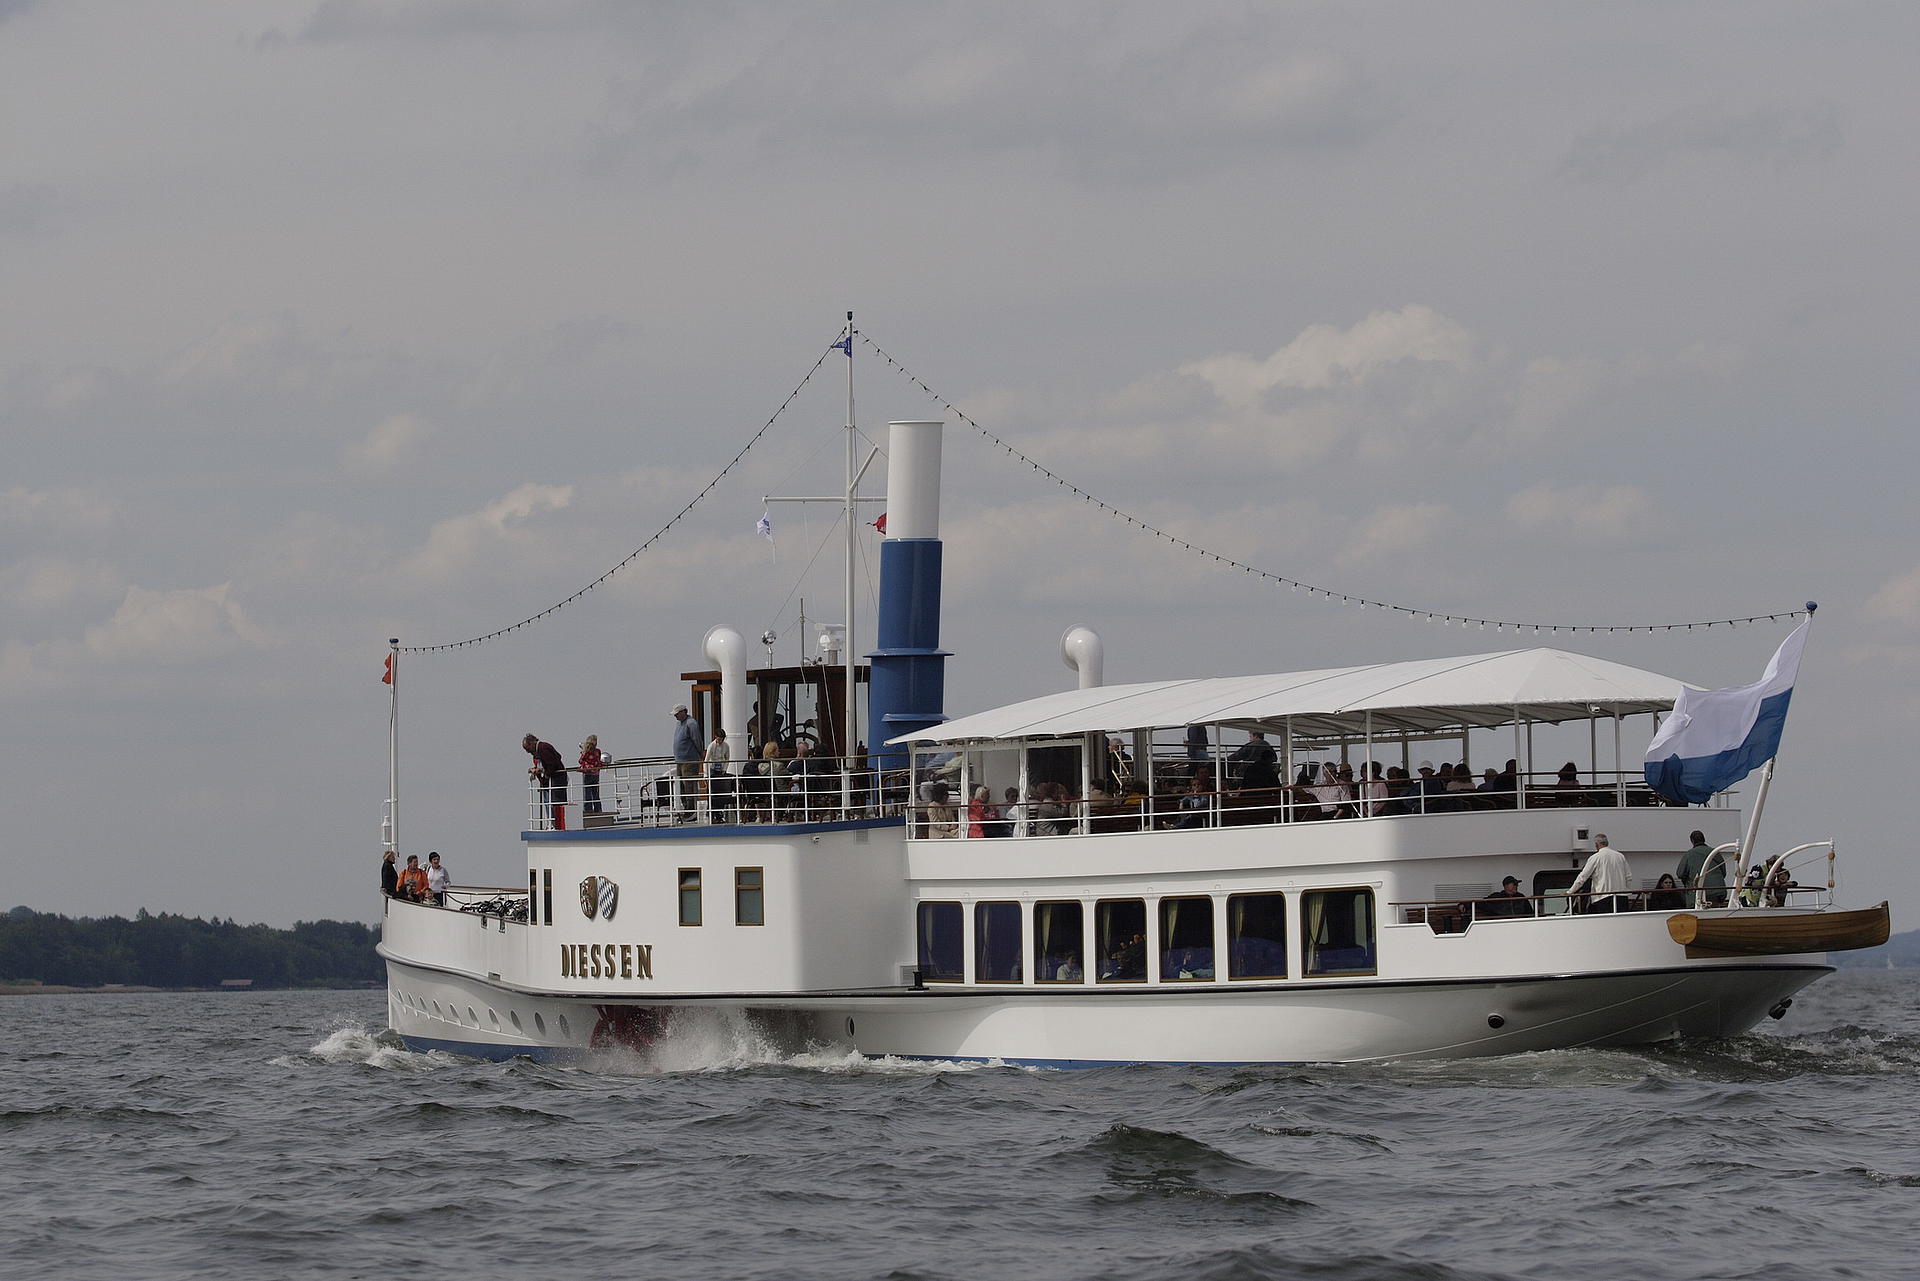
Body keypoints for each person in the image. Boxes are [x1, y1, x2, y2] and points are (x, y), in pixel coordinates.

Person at [1568, 833, 1632, 913]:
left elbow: (1582, 877)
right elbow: (1629, 877)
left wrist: (1570, 892)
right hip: (1622, 898)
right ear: (1607, 843)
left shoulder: (1595, 858)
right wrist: (1626, 891)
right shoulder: (1620, 856)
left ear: (1596, 845)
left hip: (1603, 898)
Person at [522, 733, 568, 829]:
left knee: (557, 802)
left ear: (531, 743)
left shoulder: (542, 748)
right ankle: (554, 823)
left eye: (527, 749)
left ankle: (558, 824)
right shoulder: (542, 748)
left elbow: (552, 764)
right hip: (554, 779)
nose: (528, 752)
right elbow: (557, 757)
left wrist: (546, 774)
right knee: (552, 802)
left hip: (557, 779)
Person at [1676, 830, 1728, 908]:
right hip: (1717, 894)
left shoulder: (1689, 855)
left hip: (1696, 897)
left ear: (1692, 841)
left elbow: (1680, 873)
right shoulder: (1714, 852)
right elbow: (1723, 872)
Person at [670, 704, 703, 818]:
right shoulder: (680, 723)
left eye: (677, 714)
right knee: (681, 785)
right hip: (680, 760)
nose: (675, 716)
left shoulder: (691, 723)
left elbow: (696, 739)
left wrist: (700, 753)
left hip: (689, 760)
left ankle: (691, 809)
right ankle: (685, 807)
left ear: (683, 712)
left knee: (688, 784)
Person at [705, 726, 733, 820]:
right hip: (713, 770)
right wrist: (706, 775)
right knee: (713, 792)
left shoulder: (726, 746)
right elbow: (706, 760)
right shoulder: (711, 746)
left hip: (721, 770)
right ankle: (712, 813)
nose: (720, 741)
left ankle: (719, 813)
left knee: (721, 792)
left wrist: (724, 769)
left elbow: (727, 758)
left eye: (722, 739)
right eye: (719, 739)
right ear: (716, 737)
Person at [577, 735, 607, 816]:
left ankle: (588, 809)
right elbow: (598, 761)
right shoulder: (598, 751)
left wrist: (583, 753)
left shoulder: (586, 751)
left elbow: (580, 761)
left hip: (588, 773)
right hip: (596, 774)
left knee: (587, 792)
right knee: (595, 792)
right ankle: (598, 808)